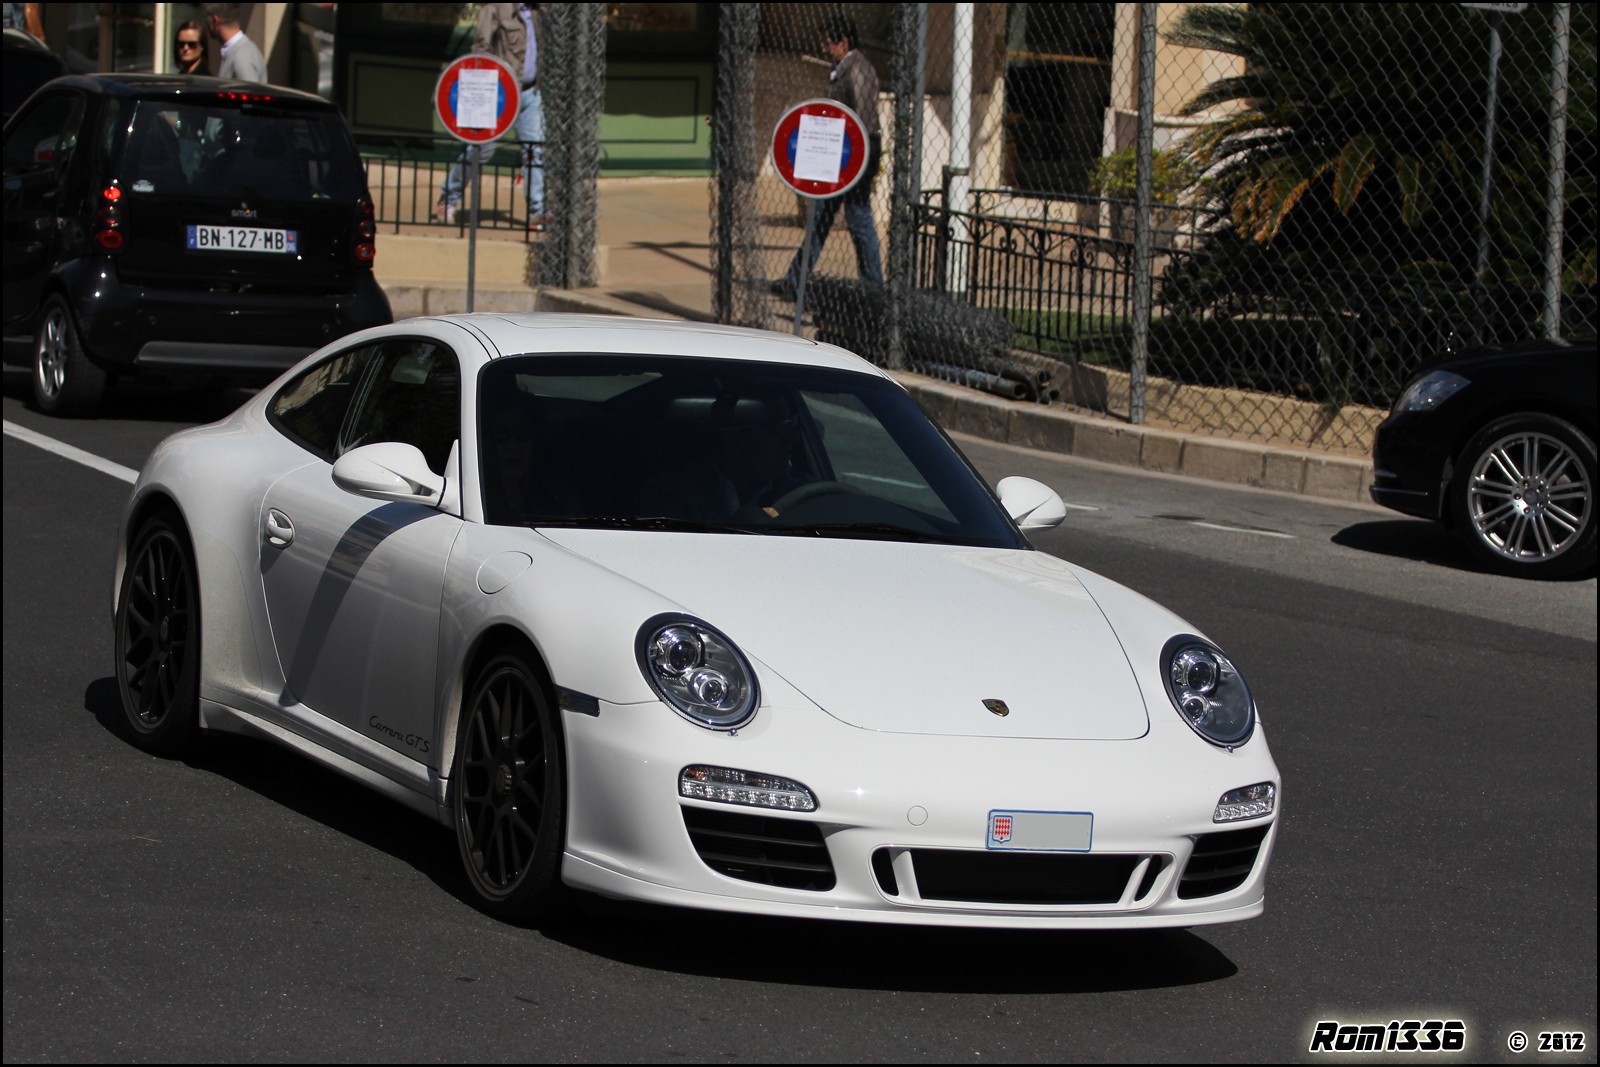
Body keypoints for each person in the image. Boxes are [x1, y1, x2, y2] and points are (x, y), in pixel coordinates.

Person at [772, 15, 884, 295]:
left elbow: (862, 119)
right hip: (839, 156)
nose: (824, 48)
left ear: (843, 42)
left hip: (857, 155)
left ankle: (874, 287)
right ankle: (794, 279)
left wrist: (855, 157)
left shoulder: (857, 70)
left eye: (828, 43)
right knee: (820, 217)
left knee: (859, 219)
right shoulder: (842, 68)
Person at [436, 3, 548, 230]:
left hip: (530, 93)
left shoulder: (539, 11)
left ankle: (538, 212)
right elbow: (480, 48)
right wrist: (487, 88)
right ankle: (448, 198)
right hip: (501, 94)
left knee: (534, 149)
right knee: (481, 149)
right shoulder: (497, 7)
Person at [204, 3, 267, 83]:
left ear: (215, 20)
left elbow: (250, 93)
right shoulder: (239, 51)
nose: (206, 24)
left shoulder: (242, 57)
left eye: (206, 19)